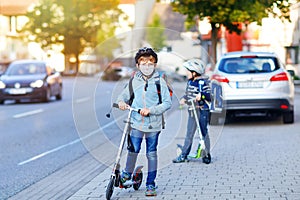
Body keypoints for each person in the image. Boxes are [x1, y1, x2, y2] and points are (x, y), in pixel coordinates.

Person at [116, 47, 172, 196]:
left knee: (151, 154)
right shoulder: (133, 81)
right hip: (136, 122)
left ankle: (151, 184)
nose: (147, 66)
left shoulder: (160, 81)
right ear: (137, 65)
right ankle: (127, 174)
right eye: (143, 62)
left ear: (155, 64)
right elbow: (122, 96)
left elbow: (167, 103)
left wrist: (151, 110)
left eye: (150, 62)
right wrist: (121, 102)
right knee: (132, 150)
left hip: (153, 124)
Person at [172, 58, 212, 164]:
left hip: (202, 110)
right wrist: (184, 98)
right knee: (189, 133)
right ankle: (184, 154)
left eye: (188, 71)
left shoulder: (204, 82)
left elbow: (210, 96)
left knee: (203, 132)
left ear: (194, 72)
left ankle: (206, 154)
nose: (186, 73)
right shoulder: (190, 82)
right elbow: (188, 94)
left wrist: (202, 95)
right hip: (192, 111)